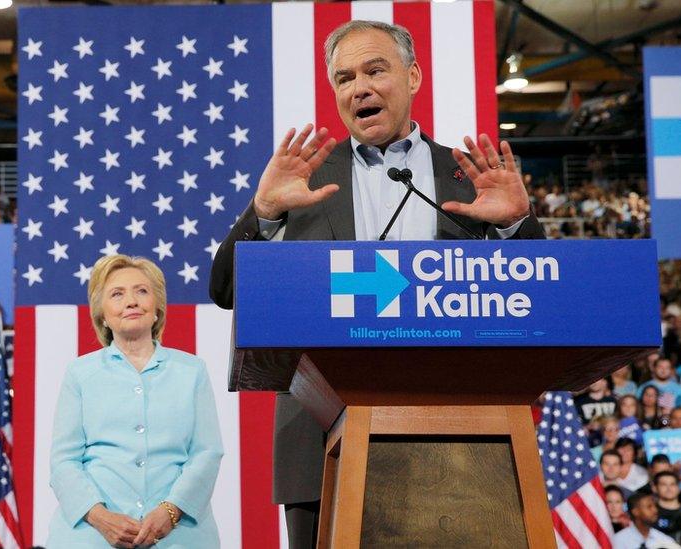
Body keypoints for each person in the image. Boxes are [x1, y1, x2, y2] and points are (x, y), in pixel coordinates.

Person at [208, 19, 544, 546]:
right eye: (343, 78)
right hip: (319, 439)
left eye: (374, 70)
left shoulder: (469, 177)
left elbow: (537, 299)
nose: (358, 87)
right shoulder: (302, 179)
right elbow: (227, 290)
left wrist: (513, 226)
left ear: (412, 77)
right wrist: (265, 211)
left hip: (457, 435)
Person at [48, 255, 224, 548]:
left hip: (180, 535)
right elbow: (63, 461)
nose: (131, 301)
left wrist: (170, 511)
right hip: (91, 536)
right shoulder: (79, 374)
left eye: (141, 291)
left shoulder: (192, 370)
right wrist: (100, 517)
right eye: (117, 294)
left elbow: (207, 453)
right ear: (101, 313)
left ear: (157, 308)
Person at [613, 492, 681, 549]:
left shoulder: (664, 540)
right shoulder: (619, 540)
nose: (655, 510)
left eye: (655, 506)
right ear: (636, 512)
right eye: (649, 507)